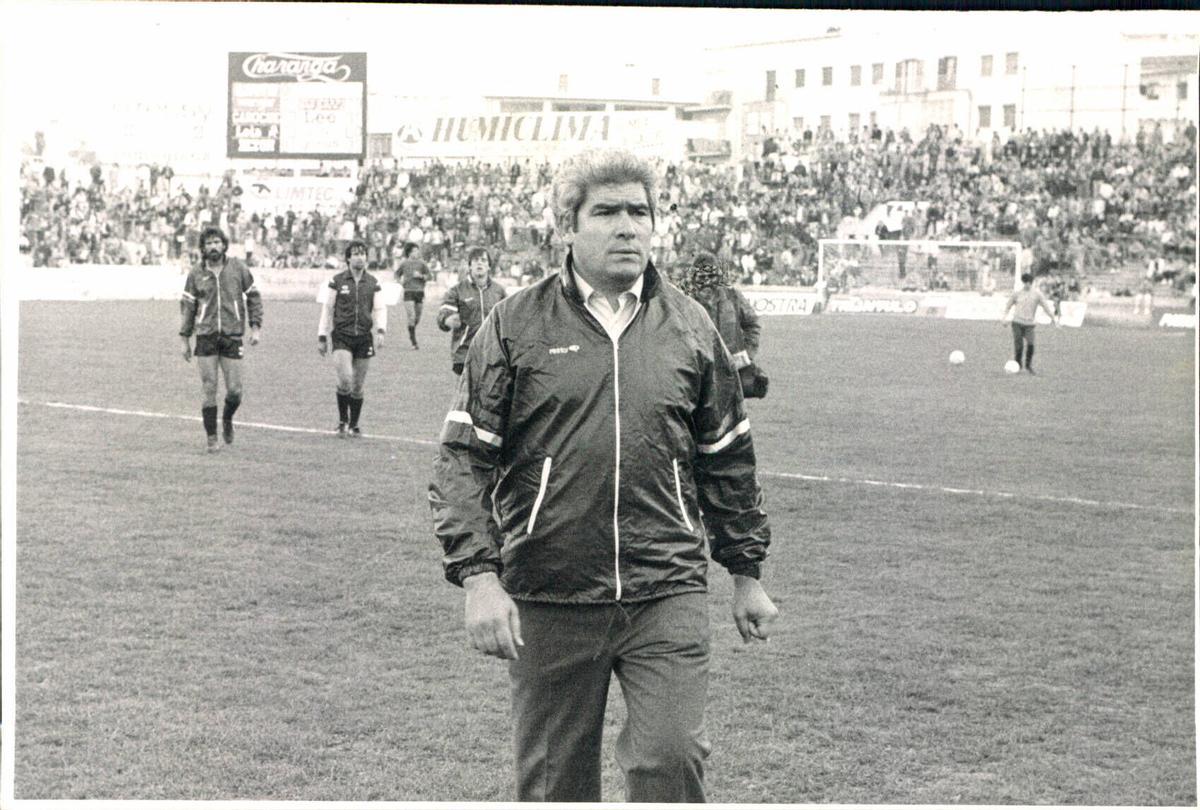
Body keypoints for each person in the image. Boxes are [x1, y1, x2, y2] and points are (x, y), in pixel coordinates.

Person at [429, 148, 778, 803]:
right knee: (555, 784)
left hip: (665, 588)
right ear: (568, 226)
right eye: (608, 212)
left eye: (639, 212)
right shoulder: (515, 324)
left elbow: (727, 455)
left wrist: (746, 572)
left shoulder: (690, 326)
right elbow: (464, 458)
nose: (628, 227)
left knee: (669, 760)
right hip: (551, 593)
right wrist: (478, 576)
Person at [179, 226, 262, 453]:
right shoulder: (196, 274)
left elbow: (254, 296)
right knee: (209, 388)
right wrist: (185, 338)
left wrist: (255, 327)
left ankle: (227, 418)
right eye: (209, 243)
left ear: (224, 245)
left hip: (232, 334)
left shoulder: (238, 268)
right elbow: (188, 307)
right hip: (205, 336)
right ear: (203, 248)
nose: (213, 246)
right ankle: (211, 438)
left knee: (235, 390)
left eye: (217, 242)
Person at [317, 239, 387, 437]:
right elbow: (327, 309)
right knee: (346, 379)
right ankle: (342, 421)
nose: (360, 257)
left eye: (362, 253)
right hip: (342, 336)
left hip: (364, 337)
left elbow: (380, 308)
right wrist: (322, 335)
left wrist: (381, 330)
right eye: (355, 254)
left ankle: (354, 425)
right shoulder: (337, 281)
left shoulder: (373, 282)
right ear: (348, 258)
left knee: (357, 385)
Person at [681, 253, 766, 398]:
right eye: (702, 276)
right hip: (696, 376)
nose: (707, 281)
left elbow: (752, 324)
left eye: (711, 276)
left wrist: (747, 355)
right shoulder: (684, 301)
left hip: (729, 374)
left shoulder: (733, 297)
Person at [435, 246, 506, 376]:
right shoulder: (457, 290)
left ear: (489, 266)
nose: (479, 263)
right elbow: (444, 313)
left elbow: (510, 319)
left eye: (483, 260)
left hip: (493, 353)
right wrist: (446, 320)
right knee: (468, 388)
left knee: (491, 388)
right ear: (470, 266)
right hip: (465, 352)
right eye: (475, 260)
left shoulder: (499, 291)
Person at [1003, 272, 1058, 374]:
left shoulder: (1037, 294)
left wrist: (1054, 319)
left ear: (1032, 283)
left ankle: (1028, 365)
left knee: (1031, 344)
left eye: (1029, 283)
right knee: (1019, 345)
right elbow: (1008, 305)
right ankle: (1018, 365)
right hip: (1017, 322)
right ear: (1023, 282)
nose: (1027, 285)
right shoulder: (1017, 294)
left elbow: (1046, 307)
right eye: (1026, 283)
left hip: (1029, 324)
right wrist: (1004, 318)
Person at [394, 242, 430, 349]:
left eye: (417, 250)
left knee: (417, 318)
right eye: (414, 251)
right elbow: (396, 274)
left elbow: (430, 276)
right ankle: (414, 342)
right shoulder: (404, 263)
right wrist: (400, 282)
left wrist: (421, 276)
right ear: (409, 252)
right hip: (408, 291)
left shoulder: (422, 263)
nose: (417, 252)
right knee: (411, 316)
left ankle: (411, 329)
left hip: (419, 292)